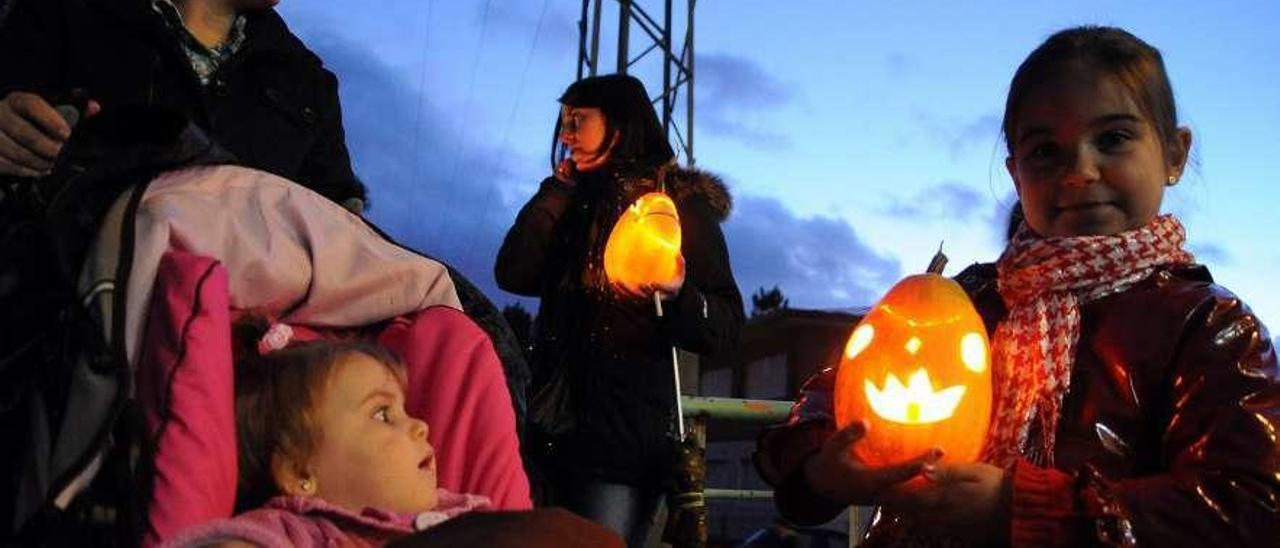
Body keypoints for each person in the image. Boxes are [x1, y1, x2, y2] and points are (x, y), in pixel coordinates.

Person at [754, 25, 1280, 546]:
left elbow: (1249, 506)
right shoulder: (971, 300)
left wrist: (1021, 510)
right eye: (1046, 151)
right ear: (1015, 173)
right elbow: (835, 391)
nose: (1080, 171)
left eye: (1113, 138)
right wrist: (823, 463)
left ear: (1174, 155)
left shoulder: (1210, 327)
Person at [495, 73, 744, 546]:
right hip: (546, 436)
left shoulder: (675, 205)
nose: (567, 133)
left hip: (622, 445)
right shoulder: (569, 199)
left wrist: (678, 293)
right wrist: (555, 194)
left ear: (620, 124)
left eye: (579, 119)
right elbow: (513, 273)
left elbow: (727, 322)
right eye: (564, 120)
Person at [0, 0, 367, 212]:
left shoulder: (309, 83)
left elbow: (338, 220)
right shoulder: (64, 11)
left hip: (223, 336)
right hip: (47, 322)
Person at [164, 318, 490, 547]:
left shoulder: (462, 511)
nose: (421, 426)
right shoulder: (296, 532)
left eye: (402, 410)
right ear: (300, 471)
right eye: (382, 414)